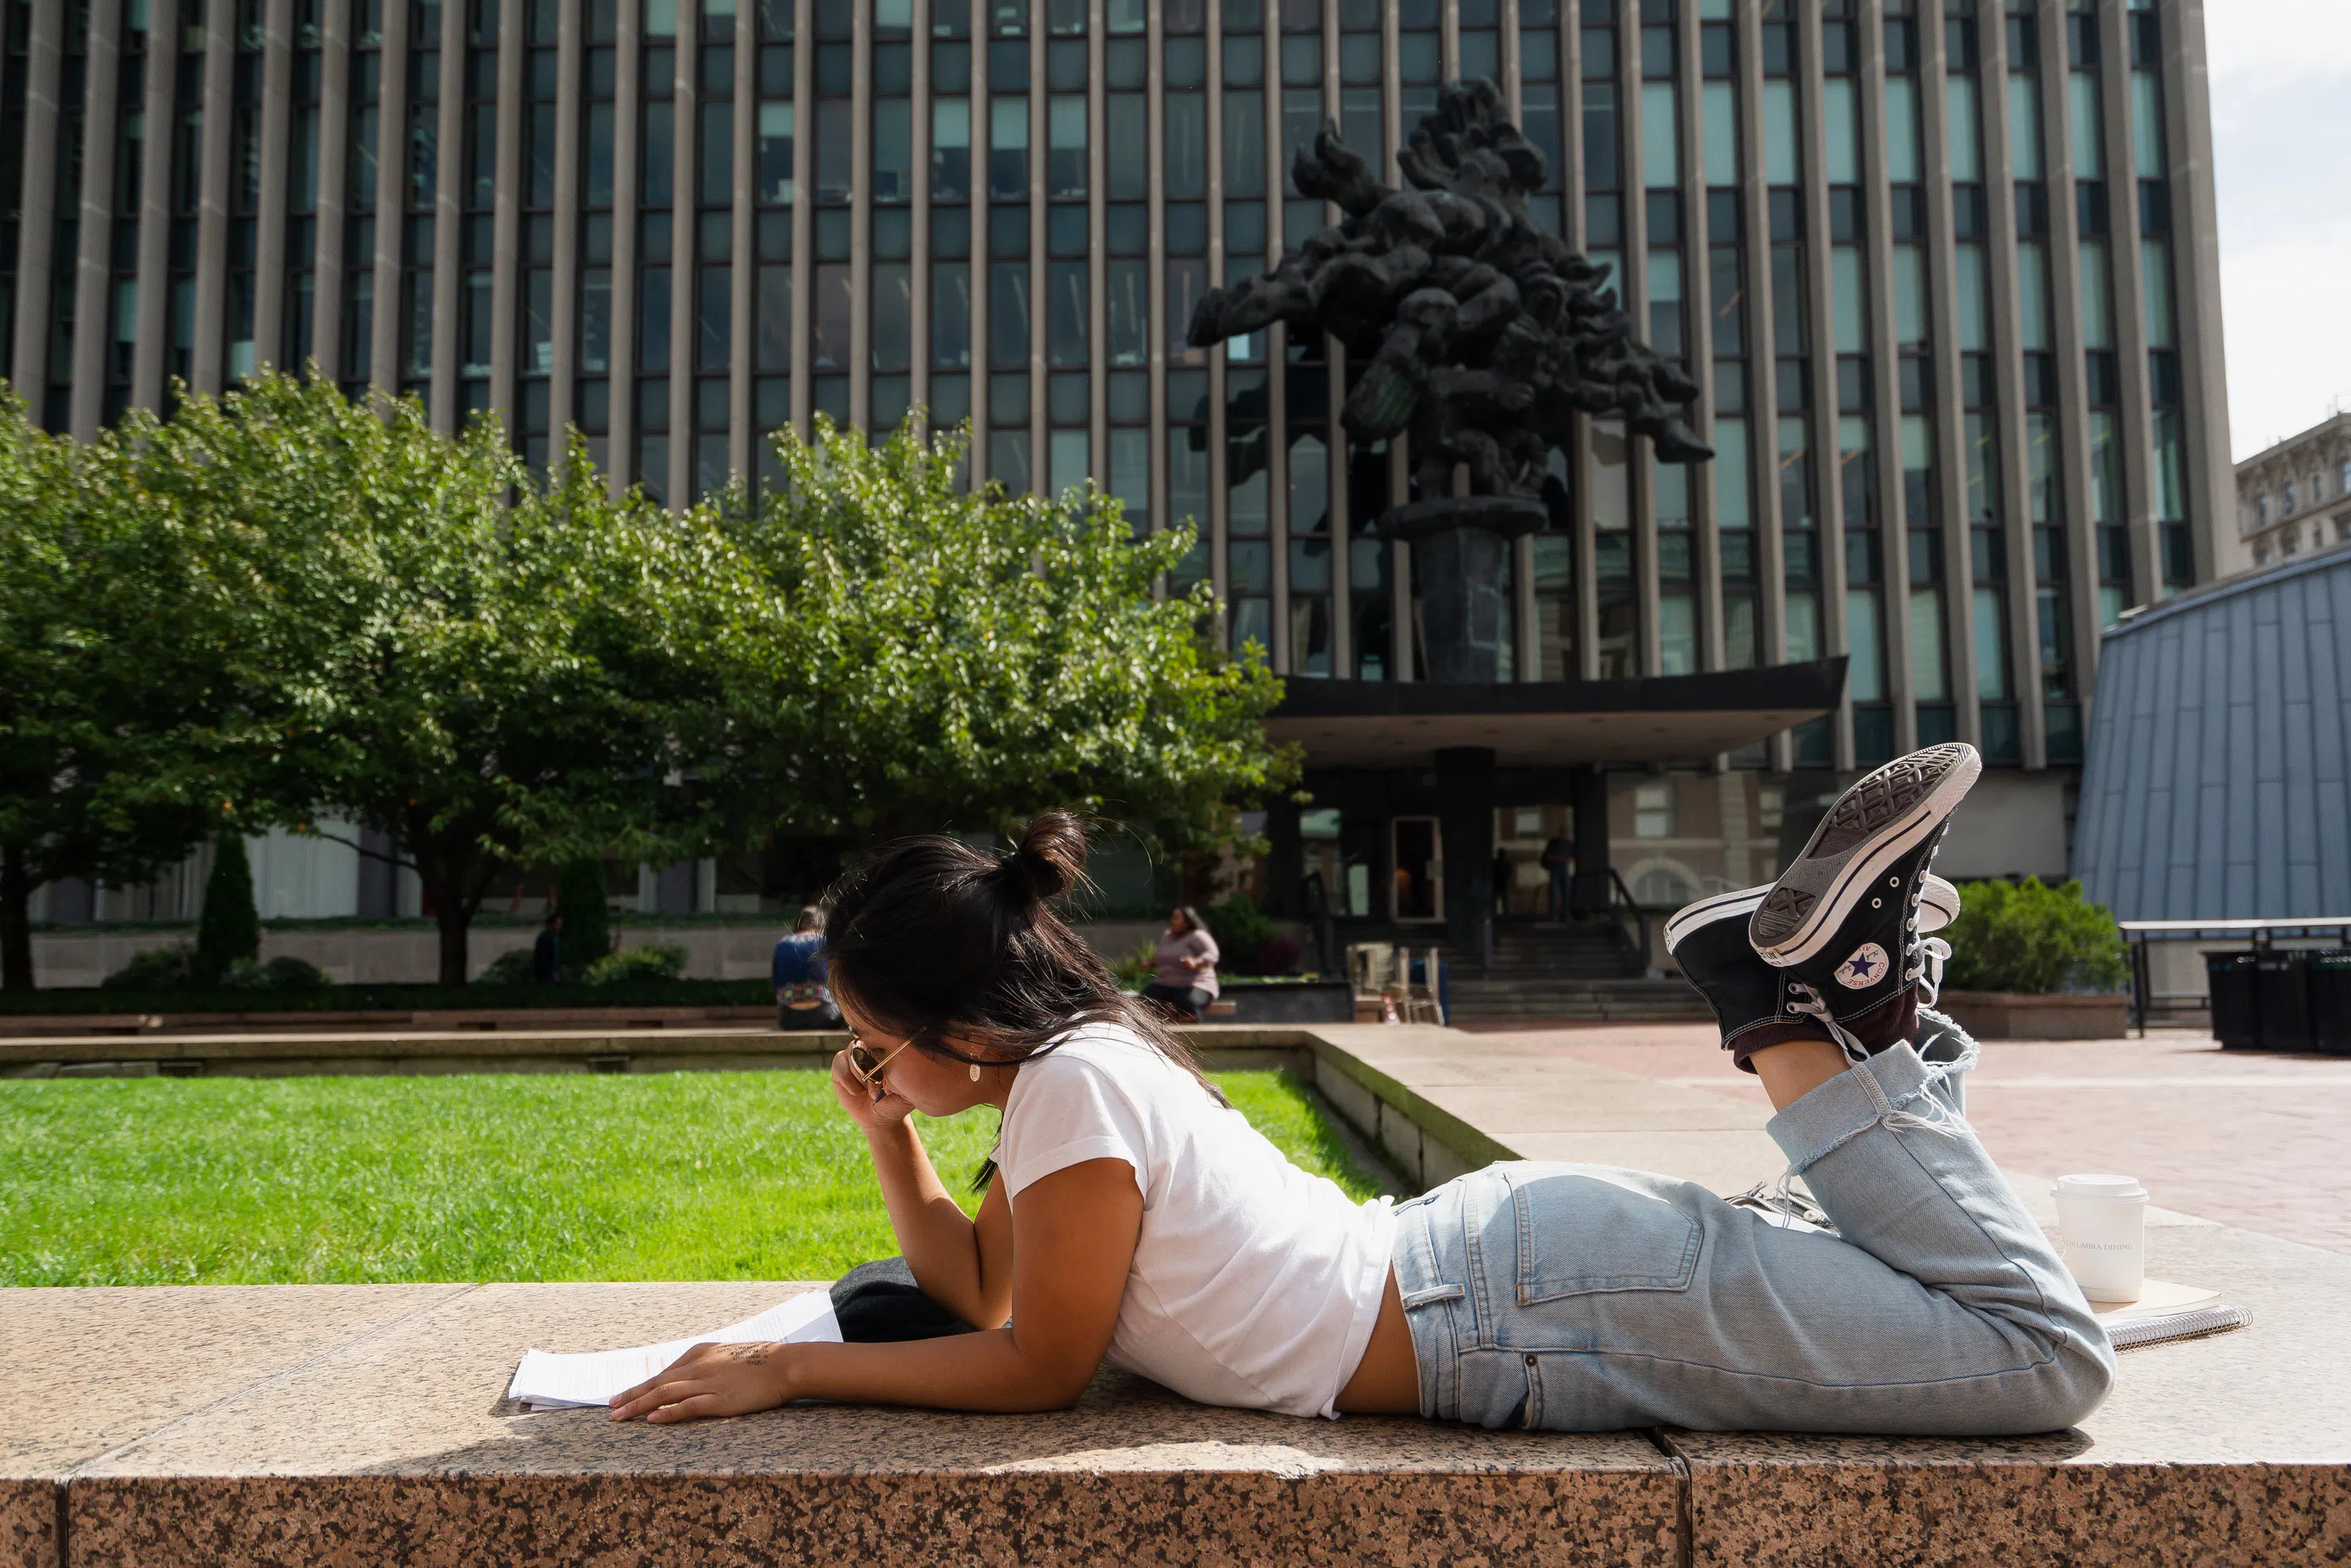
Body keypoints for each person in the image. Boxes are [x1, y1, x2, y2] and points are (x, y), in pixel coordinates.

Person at [612, 747, 2113, 1439]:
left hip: (1532, 1306)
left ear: (952, 1020)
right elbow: (993, 1291)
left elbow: (1037, 1369)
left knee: (2042, 1355)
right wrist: (892, 1150)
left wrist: (791, 1371)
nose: (868, 1063)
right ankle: (1869, 1000)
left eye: (872, 1040)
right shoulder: (1071, 1079)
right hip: (1520, 1277)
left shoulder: (1073, 1093)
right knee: (1925, 1289)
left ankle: (1804, 1010)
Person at [1137, 907, 1219, 1023]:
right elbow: (1163, 956)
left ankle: (1191, 1025)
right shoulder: (1168, 936)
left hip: (1196, 984)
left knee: (1185, 1002)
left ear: (1187, 922)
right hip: (1166, 984)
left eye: (1176, 918)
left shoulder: (1198, 935)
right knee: (1144, 999)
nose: (1171, 921)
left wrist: (1195, 963)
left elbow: (1212, 954)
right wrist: (1150, 963)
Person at [772, 906, 842, 1030]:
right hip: (826, 1016)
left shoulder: (782, 943)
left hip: (789, 1019)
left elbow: (776, 983)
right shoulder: (825, 941)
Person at [1540, 831, 1574, 920]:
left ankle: (1566, 915)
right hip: (1555, 870)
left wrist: (1566, 860)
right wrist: (1561, 859)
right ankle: (1554, 915)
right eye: (1564, 834)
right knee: (1555, 894)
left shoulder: (1569, 844)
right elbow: (1548, 856)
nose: (1565, 836)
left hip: (1565, 871)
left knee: (1567, 893)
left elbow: (1572, 858)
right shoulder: (1554, 843)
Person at [531, 911, 563, 983]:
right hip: (546, 974)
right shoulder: (545, 938)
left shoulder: (554, 938)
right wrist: (553, 972)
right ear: (550, 924)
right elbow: (543, 957)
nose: (558, 927)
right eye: (556, 924)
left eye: (560, 925)